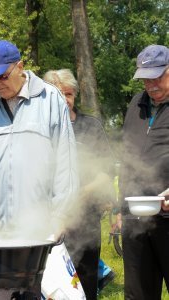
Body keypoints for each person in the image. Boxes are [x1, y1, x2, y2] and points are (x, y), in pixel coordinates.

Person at [0, 40, 79, 242]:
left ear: (20, 66)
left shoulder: (50, 100)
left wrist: (61, 215)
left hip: (41, 230)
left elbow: (66, 164)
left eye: (2, 76)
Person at [44, 68, 115, 299]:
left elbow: (107, 171)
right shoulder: (41, 128)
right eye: (57, 94)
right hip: (49, 219)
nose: (64, 100)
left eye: (68, 94)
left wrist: (82, 193)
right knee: (52, 282)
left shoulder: (91, 126)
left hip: (86, 217)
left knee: (85, 279)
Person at [119, 44, 169, 300]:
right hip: (136, 218)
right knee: (138, 294)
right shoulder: (136, 105)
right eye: (145, 79)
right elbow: (127, 157)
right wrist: (120, 209)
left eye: (157, 77)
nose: (151, 86)